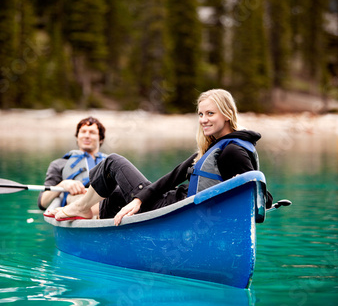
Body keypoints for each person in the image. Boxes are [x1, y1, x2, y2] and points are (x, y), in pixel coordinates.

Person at [48, 89, 272, 225]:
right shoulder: (213, 149)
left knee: (112, 162)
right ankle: (99, 224)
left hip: (173, 211)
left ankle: (79, 208)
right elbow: (171, 178)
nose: (203, 119)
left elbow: (261, 196)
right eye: (201, 114)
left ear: (227, 114)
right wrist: (138, 199)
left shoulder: (231, 150)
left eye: (210, 113)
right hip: (169, 205)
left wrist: (261, 201)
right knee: (115, 194)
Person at [37, 116, 108, 212]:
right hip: (76, 203)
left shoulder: (111, 164)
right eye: (83, 131)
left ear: (101, 139)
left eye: (92, 132)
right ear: (77, 137)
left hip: (107, 205)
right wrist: (63, 185)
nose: (87, 135)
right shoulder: (59, 164)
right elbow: (42, 202)